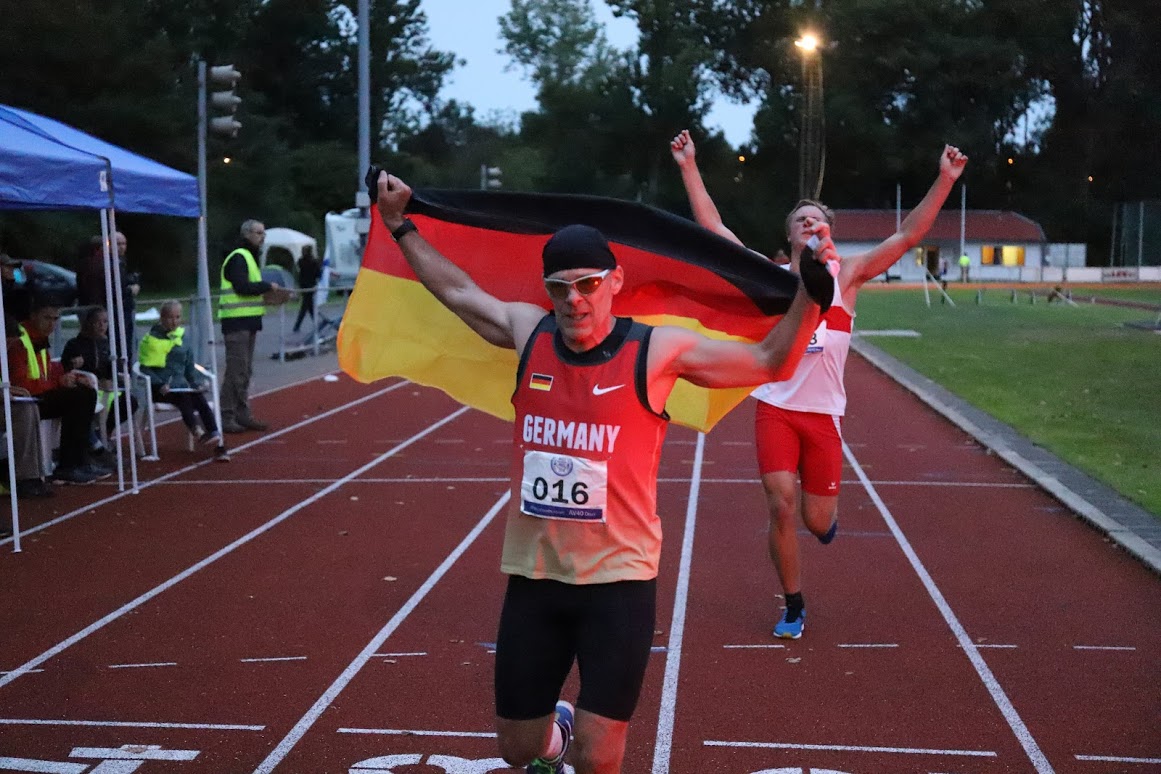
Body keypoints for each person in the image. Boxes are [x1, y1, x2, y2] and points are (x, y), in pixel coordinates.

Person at [371, 170, 835, 774]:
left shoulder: (655, 351)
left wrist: (810, 297)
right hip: (536, 577)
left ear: (615, 281)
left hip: (620, 581)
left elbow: (769, 360)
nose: (575, 301)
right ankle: (554, 737)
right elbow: (459, 292)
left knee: (600, 757)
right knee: (516, 749)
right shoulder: (529, 333)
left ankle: (580, 742)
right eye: (560, 288)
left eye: (588, 284)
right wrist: (400, 226)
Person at [670, 129, 967, 639]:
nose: (809, 223)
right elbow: (715, 230)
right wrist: (689, 166)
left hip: (824, 415)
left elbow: (906, 237)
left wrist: (945, 179)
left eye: (817, 220)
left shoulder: (848, 277)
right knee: (780, 503)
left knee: (816, 520)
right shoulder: (768, 279)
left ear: (829, 233)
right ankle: (793, 603)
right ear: (789, 236)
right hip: (776, 407)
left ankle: (823, 521)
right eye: (800, 220)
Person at [8, 300, 110, 485]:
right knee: (78, 397)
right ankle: (69, 465)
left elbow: (49, 370)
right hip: (25, 401)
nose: (52, 324)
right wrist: (59, 382)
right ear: (33, 316)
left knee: (85, 392)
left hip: (37, 395)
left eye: (55, 319)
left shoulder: (38, 339)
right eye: (47, 318)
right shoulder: (20, 341)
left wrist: (74, 377)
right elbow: (21, 383)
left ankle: (79, 460)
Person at [219, 219, 280, 434]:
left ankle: (241, 413)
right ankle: (226, 415)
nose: (262, 237)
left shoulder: (248, 257)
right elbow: (242, 287)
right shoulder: (239, 257)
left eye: (263, 233)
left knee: (244, 371)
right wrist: (266, 287)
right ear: (247, 234)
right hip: (236, 322)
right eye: (258, 233)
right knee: (236, 372)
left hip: (248, 321)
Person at [139, 301, 220, 448]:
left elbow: (189, 366)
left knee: (198, 397)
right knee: (184, 398)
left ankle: (215, 435)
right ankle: (197, 431)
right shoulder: (151, 339)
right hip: (161, 389)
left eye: (178, 317)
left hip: (181, 387)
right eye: (170, 317)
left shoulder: (182, 338)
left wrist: (196, 383)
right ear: (162, 318)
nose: (175, 321)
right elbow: (145, 367)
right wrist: (159, 384)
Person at [61, 306, 139, 452]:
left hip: (108, 390)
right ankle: (95, 440)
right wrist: (75, 364)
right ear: (88, 323)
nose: (102, 326)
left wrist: (115, 371)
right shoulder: (74, 345)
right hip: (89, 389)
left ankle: (104, 432)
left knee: (130, 401)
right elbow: (65, 368)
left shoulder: (106, 344)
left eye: (105, 322)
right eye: (98, 322)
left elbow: (111, 368)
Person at [76, 231, 139, 357]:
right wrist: (130, 290)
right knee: (116, 346)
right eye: (118, 244)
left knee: (123, 345)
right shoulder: (104, 264)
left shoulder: (117, 262)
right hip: (111, 310)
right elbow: (111, 289)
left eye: (124, 244)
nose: (121, 247)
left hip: (115, 309)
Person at [292, 244, 322, 333]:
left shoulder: (300, 261)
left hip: (303, 285)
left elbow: (299, 272)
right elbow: (318, 274)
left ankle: (298, 325)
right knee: (307, 305)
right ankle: (315, 324)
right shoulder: (314, 262)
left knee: (306, 305)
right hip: (311, 285)